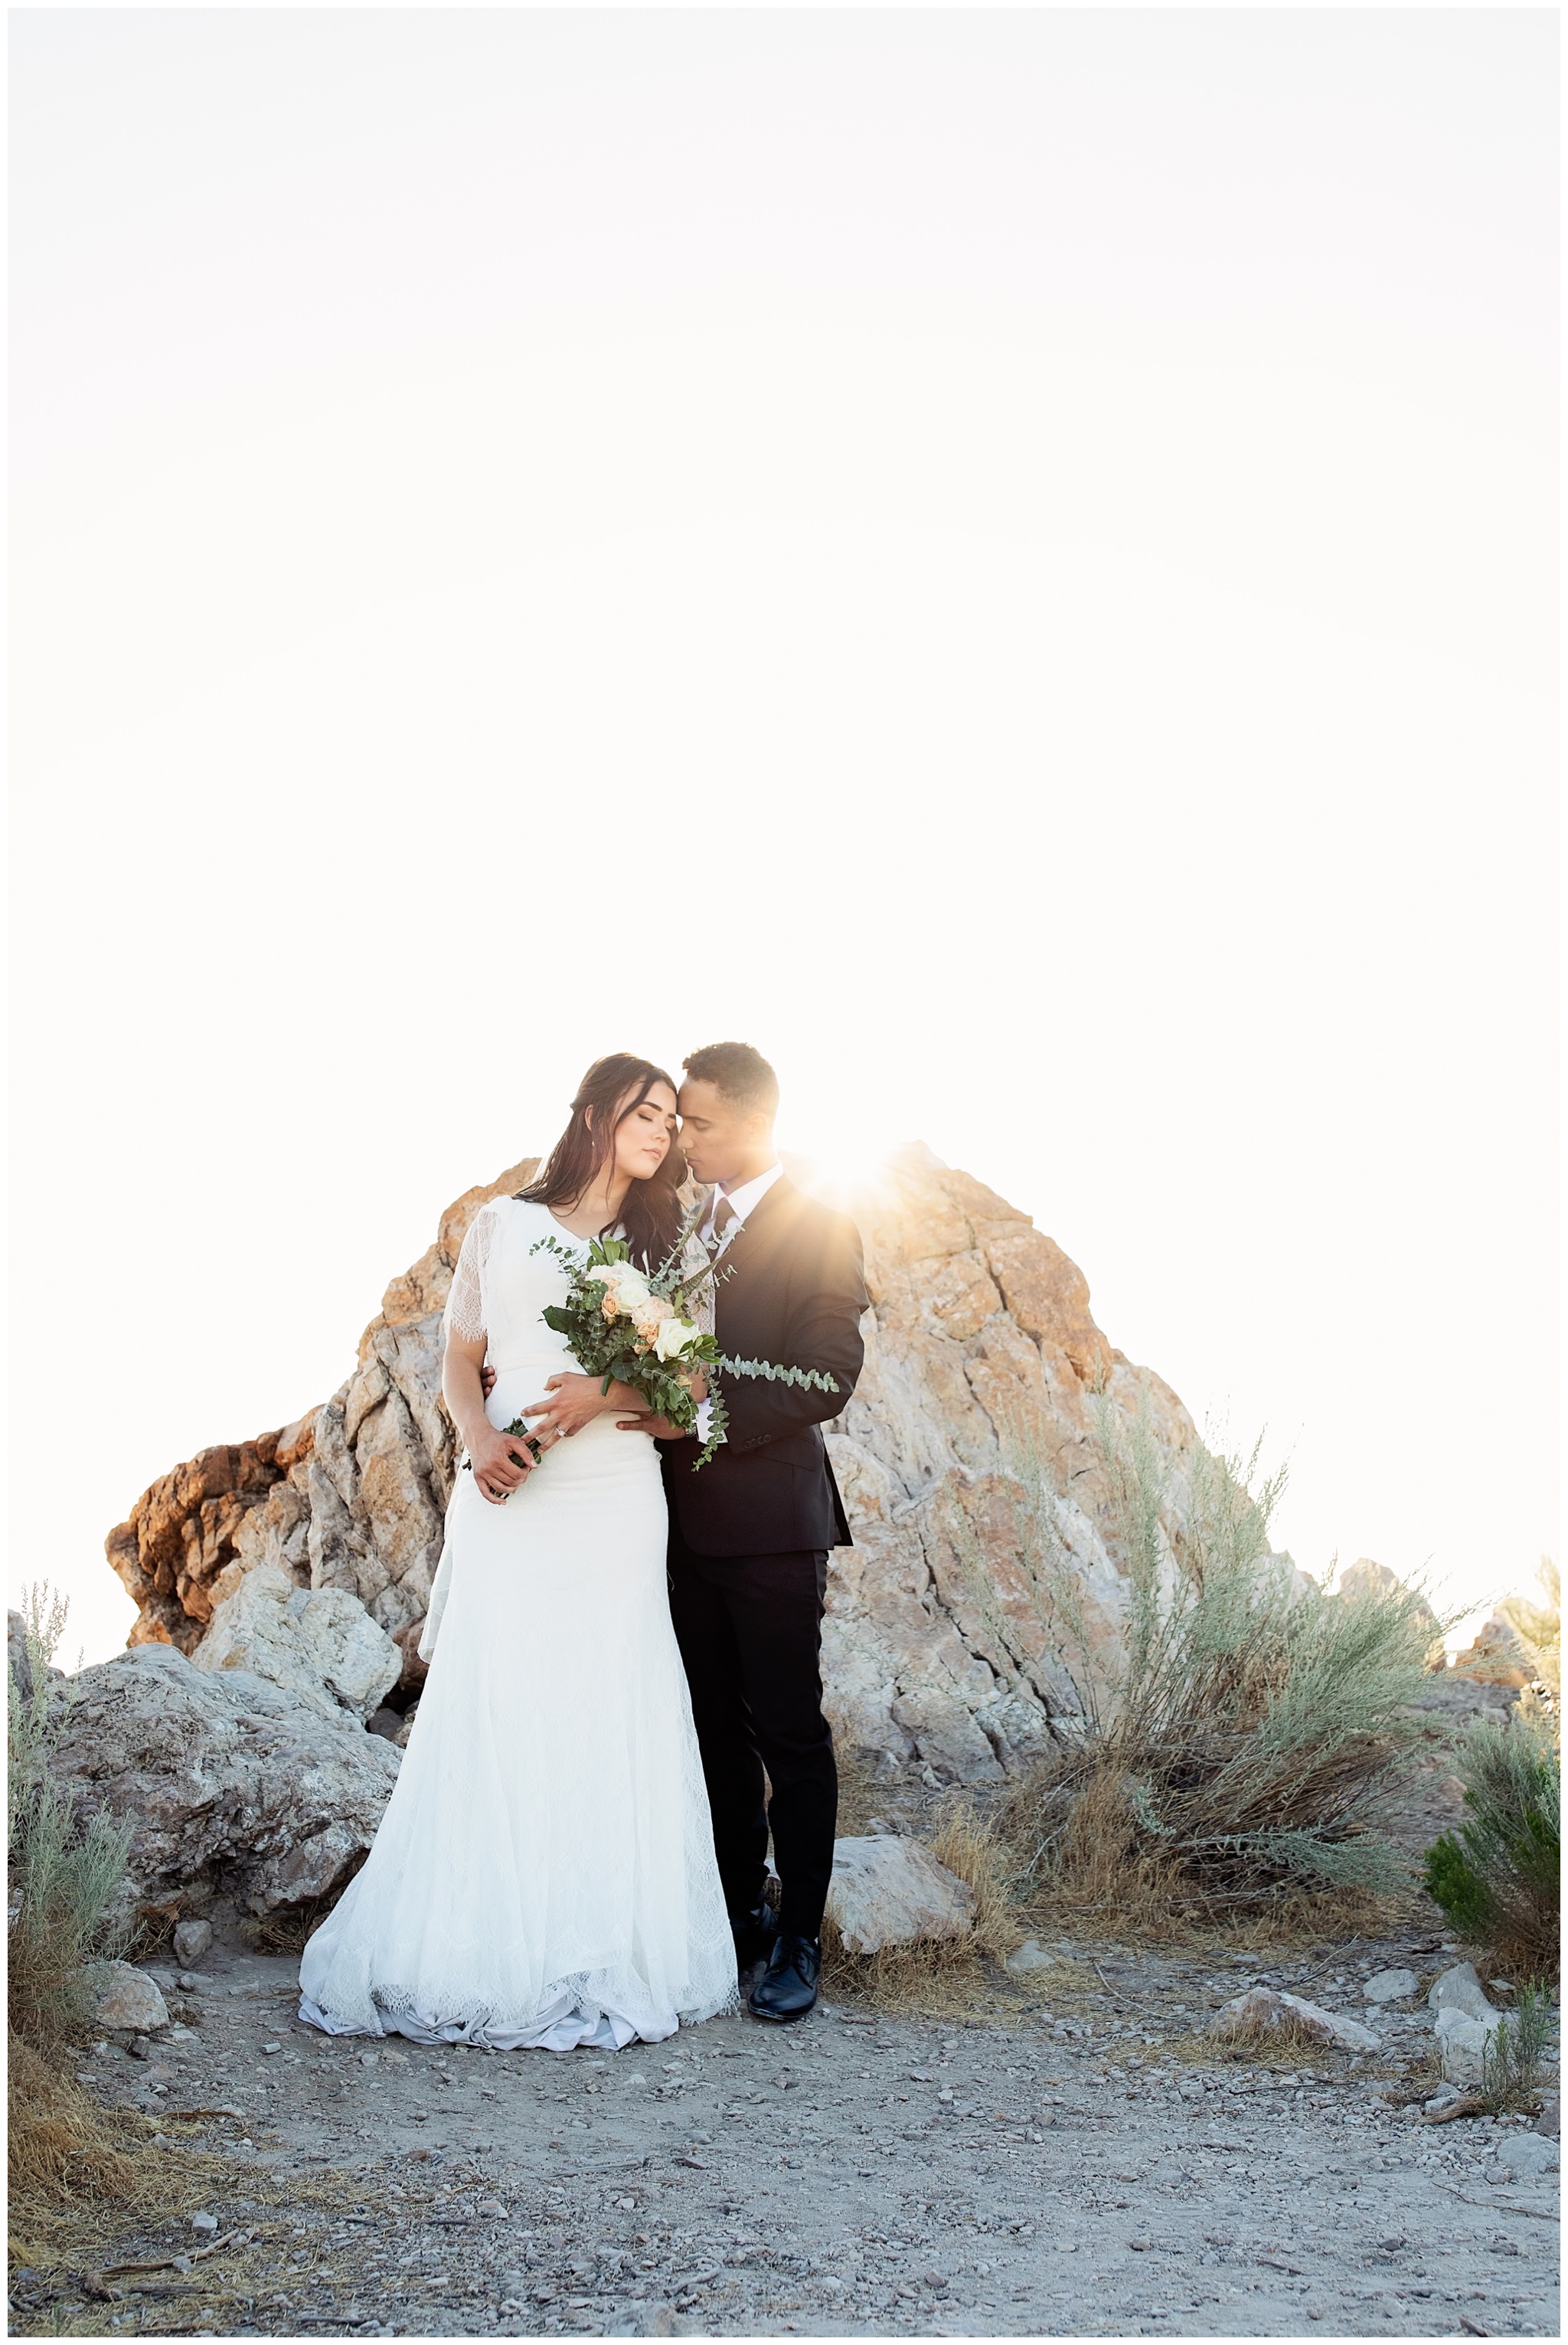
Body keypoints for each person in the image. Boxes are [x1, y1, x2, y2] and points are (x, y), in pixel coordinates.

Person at [296, 1054, 735, 2052]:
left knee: (604, 1690)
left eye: (673, 1117)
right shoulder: (507, 1223)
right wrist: (480, 1438)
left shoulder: (668, 1245)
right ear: (595, 1113)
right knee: (502, 1692)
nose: (662, 1129)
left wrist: (602, 1396)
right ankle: (481, 1938)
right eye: (646, 1110)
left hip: (613, 1495)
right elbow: (460, 1354)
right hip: (510, 1490)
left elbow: (693, 1396)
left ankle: (601, 1937)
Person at [616, 1042, 868, 2024]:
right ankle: (735, 1914)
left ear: (757, 1124)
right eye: (677, 1120)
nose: (682, 1137)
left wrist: (704, 1411)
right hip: (673, 1526)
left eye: (700, 1123)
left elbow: (826, 1375)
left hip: (769, 1524)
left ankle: (800, 1935)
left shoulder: (821, 1221)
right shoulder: (677, 1222)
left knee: (787, 1732)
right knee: (711, 1734)